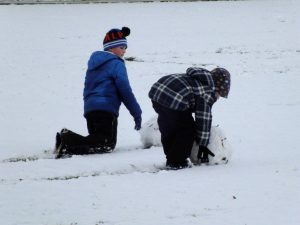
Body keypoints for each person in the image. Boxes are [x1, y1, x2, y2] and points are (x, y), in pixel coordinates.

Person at [54, 26, 142, 159]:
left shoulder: (94, 65)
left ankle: (65, 143)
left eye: (125, 48)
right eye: (121, 47)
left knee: (96, 141)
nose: (124, 51)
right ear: (111, 47)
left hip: (91, 109)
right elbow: (125, 90)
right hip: (106, 109)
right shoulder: (116, 63)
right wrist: (136, 113)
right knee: (106, 144)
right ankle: (67, 140)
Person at [148, 67, 230, 169]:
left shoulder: (199, 79)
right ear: (217, 87)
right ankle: (177, 162)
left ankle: (171, 156)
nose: (218, 97)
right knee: (187, 130)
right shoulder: (207, 92)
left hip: (157, 94)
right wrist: (203, 144)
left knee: (168, 125)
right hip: (174, 99)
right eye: (219, 94)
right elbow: (203, 119)